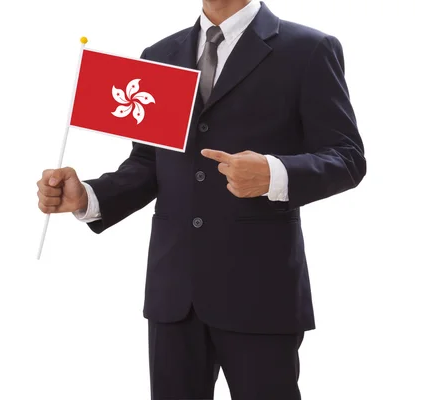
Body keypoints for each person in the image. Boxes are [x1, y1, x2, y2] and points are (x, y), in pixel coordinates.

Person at [36, 0, 366, 398]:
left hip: (260, 289)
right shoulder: (160, 56)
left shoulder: (309, 49)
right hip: (174, 291)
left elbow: (347, 158)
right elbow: (147, 164)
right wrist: (87, 195)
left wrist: (273, 172)